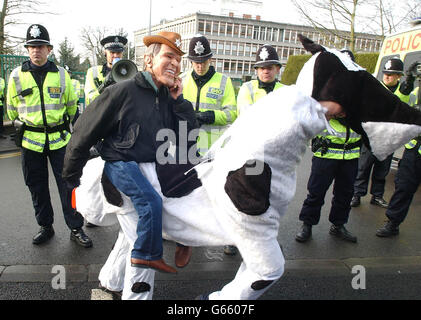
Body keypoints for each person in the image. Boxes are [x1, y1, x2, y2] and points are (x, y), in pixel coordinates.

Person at [62, 31, 199, 274]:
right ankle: (146, 258)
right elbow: (84, 132)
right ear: (149, 61)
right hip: (121, 165)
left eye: (179, 59)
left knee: (182, 197)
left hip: (152, 169)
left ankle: (114, 279)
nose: (176, 64)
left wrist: (179, 102)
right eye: (169, 56)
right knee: (149, 209)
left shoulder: (168, 97)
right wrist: (71, 177)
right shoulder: (122, 91)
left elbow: (187, 139)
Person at [6, 24, 92, 247]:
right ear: (27, 49)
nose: (36, 50)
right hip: (30, 142)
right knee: (37, 187)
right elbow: (11, 110)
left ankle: (76, 227)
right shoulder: (16, 76)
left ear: (49, 49)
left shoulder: (62, 75)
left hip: (59, 141)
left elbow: (72, 107)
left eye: (41, 46)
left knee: (69, 186)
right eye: (32, 46)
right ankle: (45, 227)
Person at [295, 49, 361, 244]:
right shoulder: (322, 89)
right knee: (316, 192)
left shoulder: (360, 91)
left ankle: (338, 225)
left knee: (345, 194)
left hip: (350, 154)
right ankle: (307, 224)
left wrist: (347, 113)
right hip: (326, 152)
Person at [182, 34, 237, 256]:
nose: (200, 65)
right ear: (190, 61)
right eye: (196, 61)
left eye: (204, 60)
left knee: (219, 195)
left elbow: (232, 113)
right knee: (187, 195)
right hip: (185, 147)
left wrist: (208, 116)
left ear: (211, 59)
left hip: (214, 149)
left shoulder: (224, 82)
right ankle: (185, 236)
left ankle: (228, 237)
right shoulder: (181, 78)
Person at [351, 58, 415, 209]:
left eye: (391, 74)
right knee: (363, 167)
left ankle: (377, 196)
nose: (386, 76)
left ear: (399, 76)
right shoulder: (375, 87)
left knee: (382, 169)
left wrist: (407, 86)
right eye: (385, 73)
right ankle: (357, 194)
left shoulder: (404, 92)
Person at [376, 80, 421, 237]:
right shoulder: (416, 91)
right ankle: (393, 223)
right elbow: (394, 106)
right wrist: (404, 89)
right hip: (414, 149)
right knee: (403, 186)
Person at [236, 44, 284, 115]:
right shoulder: (247, 88)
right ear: (257, 70)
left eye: (269, 68)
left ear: (277, 69)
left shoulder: (285, 90)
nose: (265, 71)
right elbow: (245, 117)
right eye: (262, 68)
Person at [84, 35, 127, 105]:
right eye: (112, 52)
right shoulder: (93, 72)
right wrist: (103, 86)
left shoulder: (129, 72)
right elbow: (90, 99)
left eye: (119, 53)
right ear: (105, 53)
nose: (116, 56)